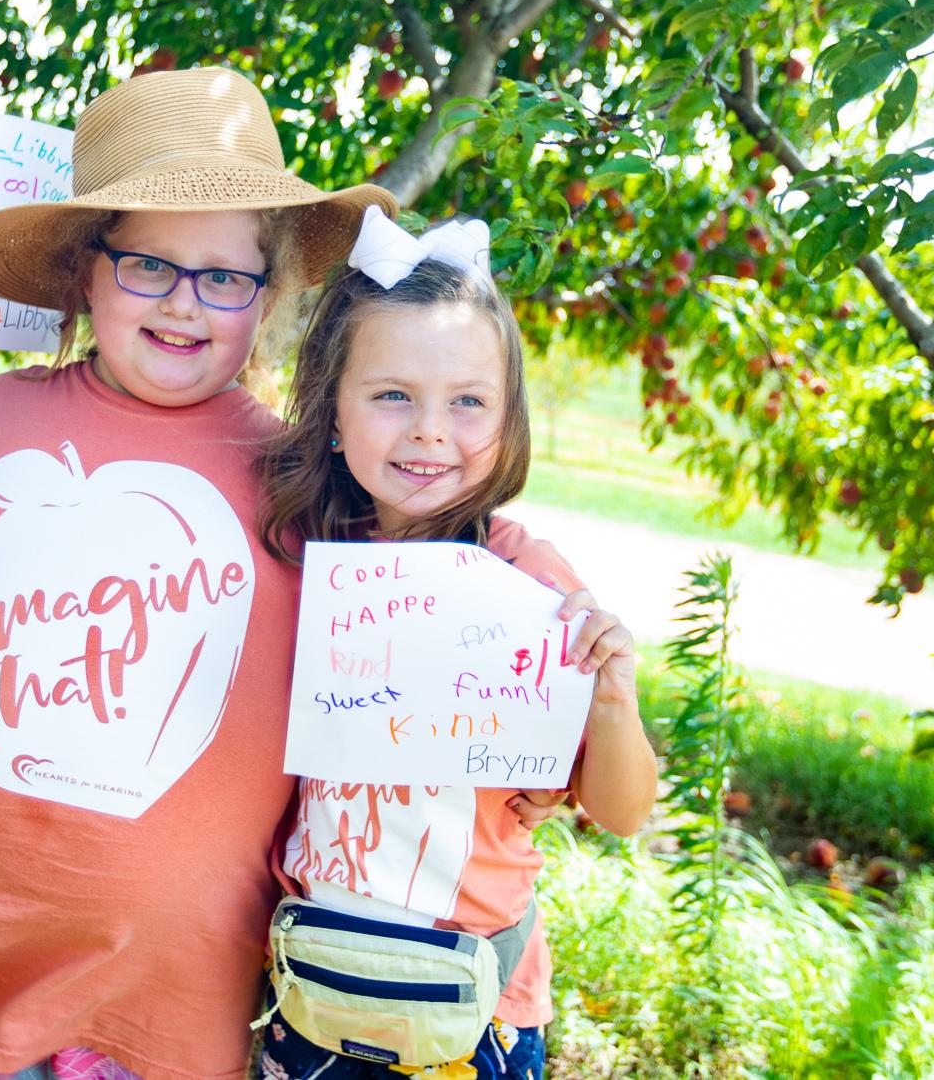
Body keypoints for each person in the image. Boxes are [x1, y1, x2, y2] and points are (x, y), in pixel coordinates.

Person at [0, 66, 396, 1080]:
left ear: (267, 293)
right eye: (147, 265)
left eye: (223, 278)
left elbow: (415, 608)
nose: (184, 305)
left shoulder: (302, 483)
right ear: (84, 274)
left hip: (174, 990)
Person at [253, 207, 659, 1080]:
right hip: (316, 981)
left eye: (468, 402)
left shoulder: (531, 582)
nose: (431, 430)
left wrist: (615, 698)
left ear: (508, 421)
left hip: (472, 1003)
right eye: (393, 394)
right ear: (331, 410)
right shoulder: (297, 560)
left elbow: (623, 811)